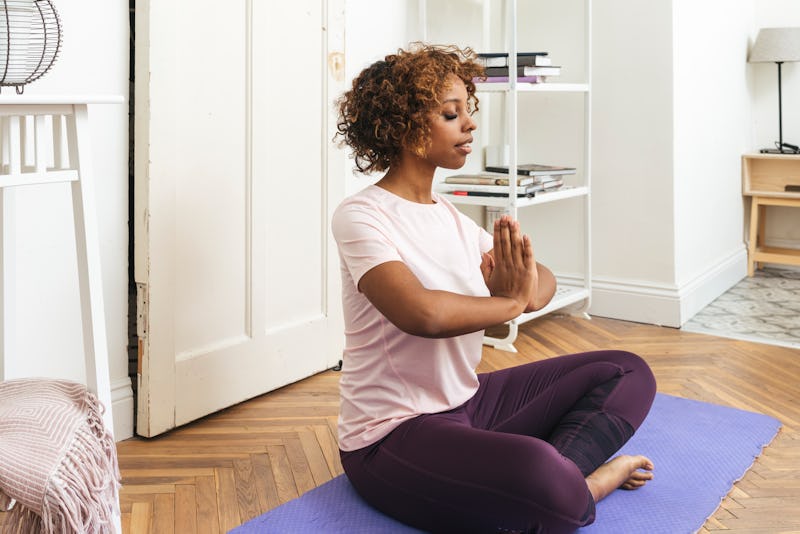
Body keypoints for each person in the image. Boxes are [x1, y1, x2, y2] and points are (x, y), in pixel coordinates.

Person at [331, 43, 657, 534]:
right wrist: (507, 300)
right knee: (536, 472)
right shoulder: (362, 216)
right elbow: (422, 314)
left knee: (626, 371)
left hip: (468, 404)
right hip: (390, 436)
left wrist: (519, 290)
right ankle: (583, 486)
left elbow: (541, 281)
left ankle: (559, 481)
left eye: (468, 110)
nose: (470, 125)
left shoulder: (452, 219)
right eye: (450, 113)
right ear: (404, 125)